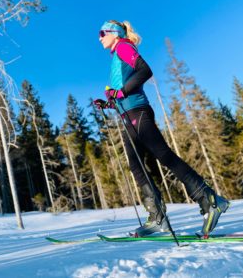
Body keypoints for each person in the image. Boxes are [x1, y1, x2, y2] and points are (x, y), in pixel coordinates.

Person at [94, 20, 229, 237]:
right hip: (129, 115)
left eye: (102, 33)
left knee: (163, 155)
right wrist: (109, 102)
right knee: (136, 166)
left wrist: (121, 93)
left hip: (138, 112)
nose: (99, 37)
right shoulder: (117, 56)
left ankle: (210, 200)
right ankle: (157, 218)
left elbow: (144, 70)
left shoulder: (124, 47)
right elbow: (124, 88)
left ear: (115, 34)